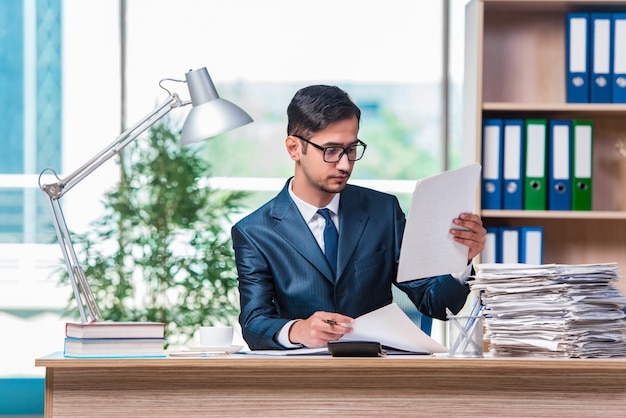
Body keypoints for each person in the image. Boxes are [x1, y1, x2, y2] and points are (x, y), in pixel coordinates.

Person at [231, 85, 486, 350]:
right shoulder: (254, 232)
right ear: (294, 148)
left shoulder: (382, 211)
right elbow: (254, 323)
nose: (345, 164)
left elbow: (437, 304)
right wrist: (298, 330)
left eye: (351, 149)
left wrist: (460, 258)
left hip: (377, 373)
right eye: (331, 150)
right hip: (302, 378)